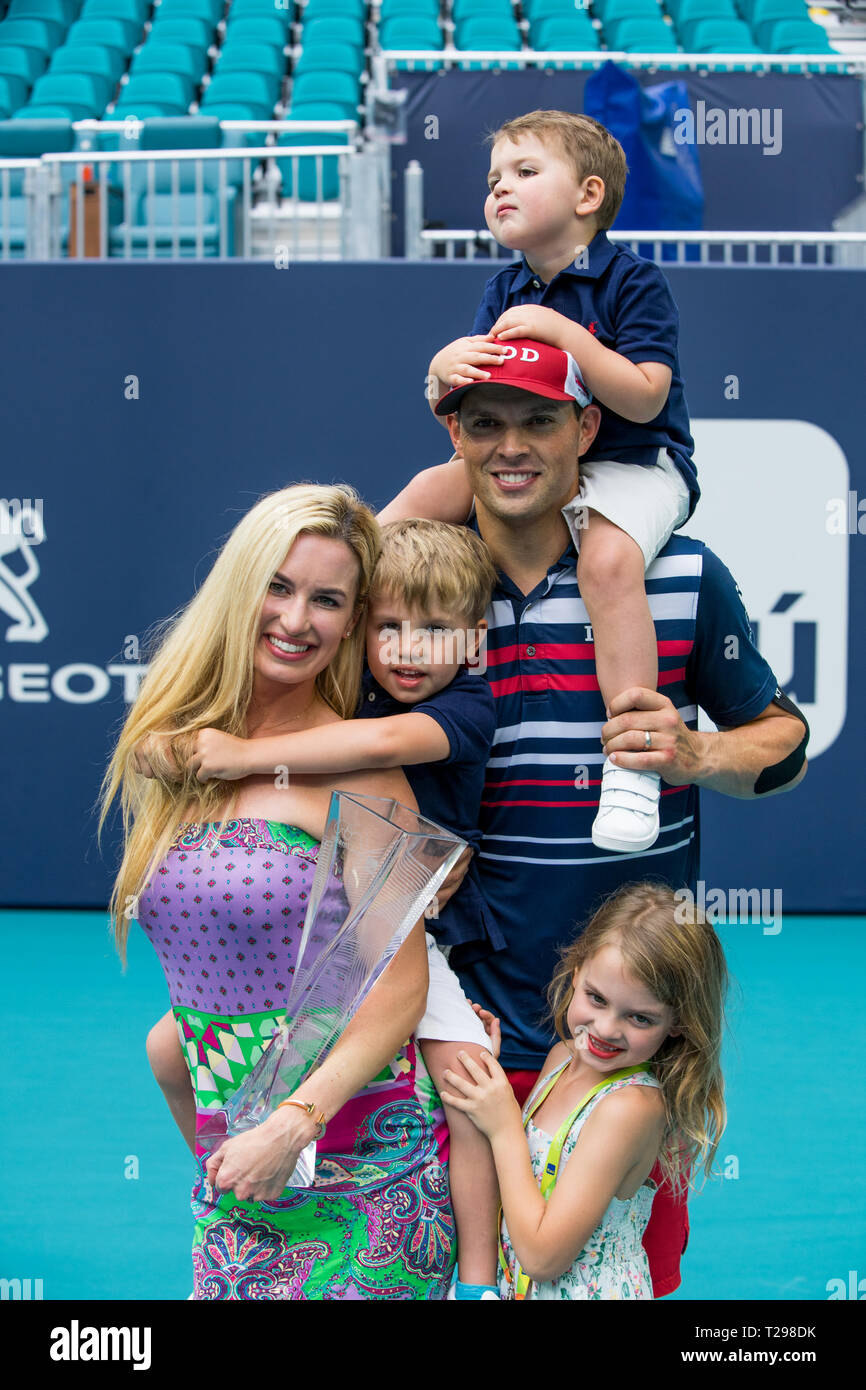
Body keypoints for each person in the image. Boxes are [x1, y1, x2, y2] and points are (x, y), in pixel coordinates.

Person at [380, 338, 809, 1297]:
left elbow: (783, 740)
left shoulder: (682, 576)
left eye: (539, 420)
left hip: (624, 1044)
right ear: (454, 435)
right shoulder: (418, 594)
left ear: (586, 429)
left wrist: (701, 754)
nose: (512, 447)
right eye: (484, 423)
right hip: (465, 1034)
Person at [100, 483, 459, 1300]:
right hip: (241, 1177)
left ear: (353, 619)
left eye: (328, 599)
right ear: (239, 588)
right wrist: (198, 1086)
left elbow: (398, 990)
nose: (298, 620)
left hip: (368, 1170)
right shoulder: (180, 756)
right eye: (280, 586)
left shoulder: (367, 771)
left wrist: (295, 1119)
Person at [396, 109, 697, 855]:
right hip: (542, 462)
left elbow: (644, 397)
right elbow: (477, 402)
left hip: (636, 464)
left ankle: (631, 764)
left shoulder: (634, 281)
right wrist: (439, 368)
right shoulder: (502, 289)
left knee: (607, 560)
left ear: (588, 195)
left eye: (526, 173)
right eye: (494, 178)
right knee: (416, 504)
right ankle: (330, 596)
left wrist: (565, 335)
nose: (501, 189)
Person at [441, 882, 727, 1300]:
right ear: (576, 973)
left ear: (678, 1023)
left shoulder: (630, 1108)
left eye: (640, 1018)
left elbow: (542, 1257)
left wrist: (504, 1124)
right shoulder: (561, 1058)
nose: (607, 1029)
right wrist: (488, 1068)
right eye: (596, 998)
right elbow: (530, 1180)